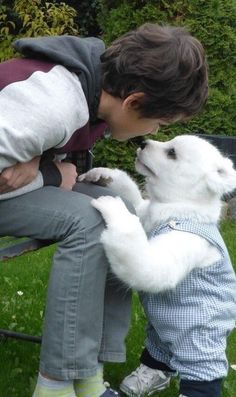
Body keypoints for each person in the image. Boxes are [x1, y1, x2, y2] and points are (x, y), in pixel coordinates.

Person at [0, 24, 208, 397]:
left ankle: (89, 371)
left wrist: (47, 165)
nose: (154, 131)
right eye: (159, 123)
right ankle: (56, 384)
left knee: (122, 209)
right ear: (133, 102)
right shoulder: (54, 103)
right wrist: (50, 173)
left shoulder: (94, 91)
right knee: (92, 220)